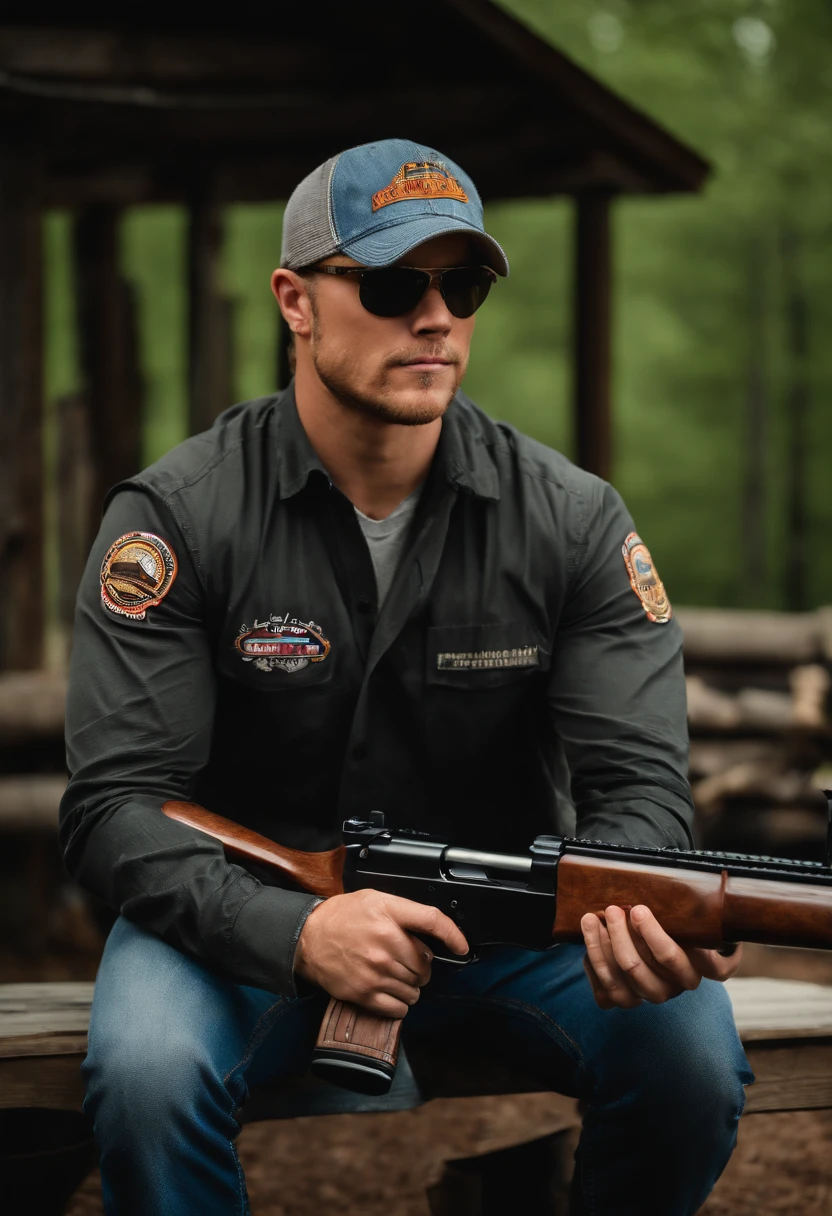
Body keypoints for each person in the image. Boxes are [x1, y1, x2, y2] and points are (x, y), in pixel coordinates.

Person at [60, 138, 752, 1216]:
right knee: (148, 1073)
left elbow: (639, 782)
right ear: (296, 300)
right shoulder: (178, 518)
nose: (434, 318)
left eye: (461, 284)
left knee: (692, 1059)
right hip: (239, 923)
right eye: (391, 284)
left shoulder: (570, 519)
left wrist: (628, 899)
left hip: (513, 929)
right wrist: (297, 932)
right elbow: (116, 808)